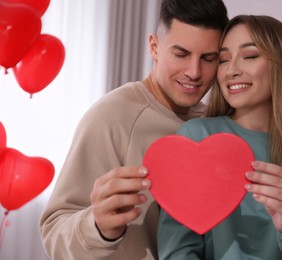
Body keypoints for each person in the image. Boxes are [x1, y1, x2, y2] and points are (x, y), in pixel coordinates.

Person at [39, 0, 229, 259]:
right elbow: (54, 233)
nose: (194, 72)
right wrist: (99, 227)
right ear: (154, 47)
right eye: (181, 54)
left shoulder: (213, 124)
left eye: (208, 58)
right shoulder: (112, 116)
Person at [157, 15, 282, 259]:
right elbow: (176, 249)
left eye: (249, 56)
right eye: (223, 59)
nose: (231, 71)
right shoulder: (197, 138)